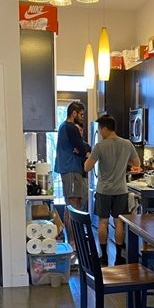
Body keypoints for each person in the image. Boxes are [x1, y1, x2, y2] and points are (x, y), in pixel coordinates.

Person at [84, 114, 140, 266]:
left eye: (100, 129)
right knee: (119, 222)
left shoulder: (100, 146)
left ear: (105, 128)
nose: (100, 133)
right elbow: (137, 163)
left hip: (104, 190)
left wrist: (89, 156)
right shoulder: (127, 144)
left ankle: (103, 256)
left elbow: (87, 167)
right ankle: (119, 257)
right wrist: (123, 162)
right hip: (121, 190)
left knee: (103, 222)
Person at [54, 101, 89, 238]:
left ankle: (72, 240)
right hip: (71, 169)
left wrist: (81, 149)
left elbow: (81, 147)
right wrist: (82, 151)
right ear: (74, 113)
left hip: (68, 169)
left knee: (71, 204)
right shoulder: (70, 127)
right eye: (81, 114)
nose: (82, 117)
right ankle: (74, 241)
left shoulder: (64, 127)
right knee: (74, 205)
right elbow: (81, 148)